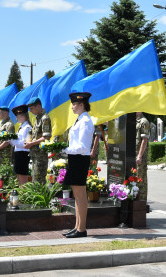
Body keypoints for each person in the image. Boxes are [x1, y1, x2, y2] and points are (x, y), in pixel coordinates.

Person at [61, 92, 95, 239]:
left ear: (82, 104)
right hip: (75, 158)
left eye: (74, 104)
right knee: (77, 195)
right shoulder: (80, 120)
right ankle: (77, 226)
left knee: (81, 196)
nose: (72, 107)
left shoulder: (86, 121)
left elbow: (82, 146)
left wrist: (63, 149)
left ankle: (82, 229)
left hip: (80, 159)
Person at [25, 97, 51, 185]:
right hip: (35, 153)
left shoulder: (44, 118)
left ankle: (41, 198)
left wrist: (31, 143)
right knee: (35, 179)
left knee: (39, 180)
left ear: (38, 106)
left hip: (41, 155)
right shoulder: (38, 118)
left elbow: (46, 137)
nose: (30, 111)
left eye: (32, 108)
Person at [11, 105, 32, 186]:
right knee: (19, 174)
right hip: (18, 152)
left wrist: (12, 140)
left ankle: (24, 192)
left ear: (24, 116)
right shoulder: (21, 127)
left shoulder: (27, 127)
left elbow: (25, 143)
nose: (17, 118)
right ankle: (21, 191)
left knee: (22, 174)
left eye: (18, 116)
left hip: (23, 153)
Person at [135, 112, 150, 202]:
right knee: (134, 179)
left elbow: (145, 140)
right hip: (133, 155)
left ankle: (142, 202)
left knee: (141, 179)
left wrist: (140, 156)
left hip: (140, 156)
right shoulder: (134, 121)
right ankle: (135, 201)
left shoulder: (144, 122)